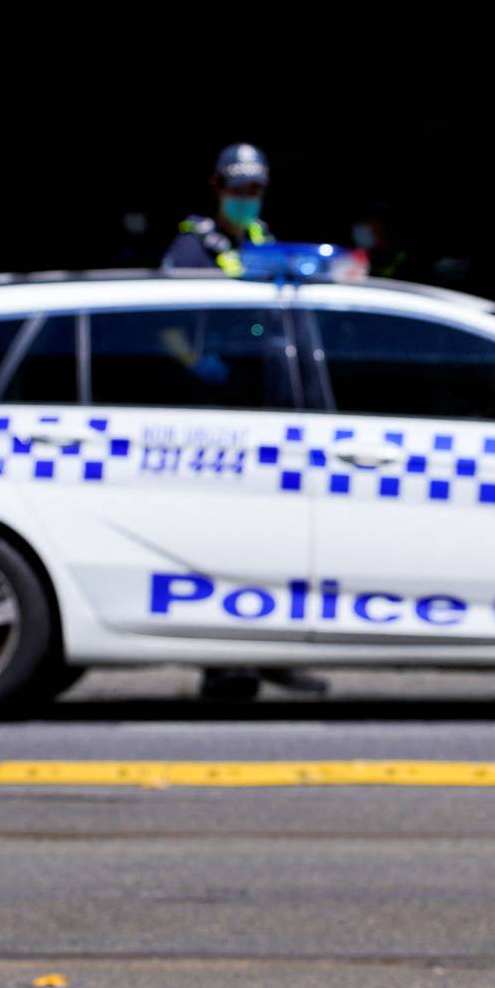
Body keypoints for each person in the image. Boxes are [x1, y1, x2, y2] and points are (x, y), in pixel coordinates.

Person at [159, 143, 326, 700]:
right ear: (216, 185)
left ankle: (270, 651)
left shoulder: (259, 238)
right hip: (210, 412)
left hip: (264, 404)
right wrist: (197, 366)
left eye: (254, 191)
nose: (246, 201)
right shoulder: (192, 243)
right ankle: (225, 665)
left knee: (272, 537)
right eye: (238, 190)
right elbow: (164, 324)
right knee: (221, 540)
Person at [162, 143, 276, 275]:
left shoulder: (265, 241)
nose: (245, 198)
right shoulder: (190, 248)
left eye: (253, 191)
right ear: (218, 188)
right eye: (237, 190)